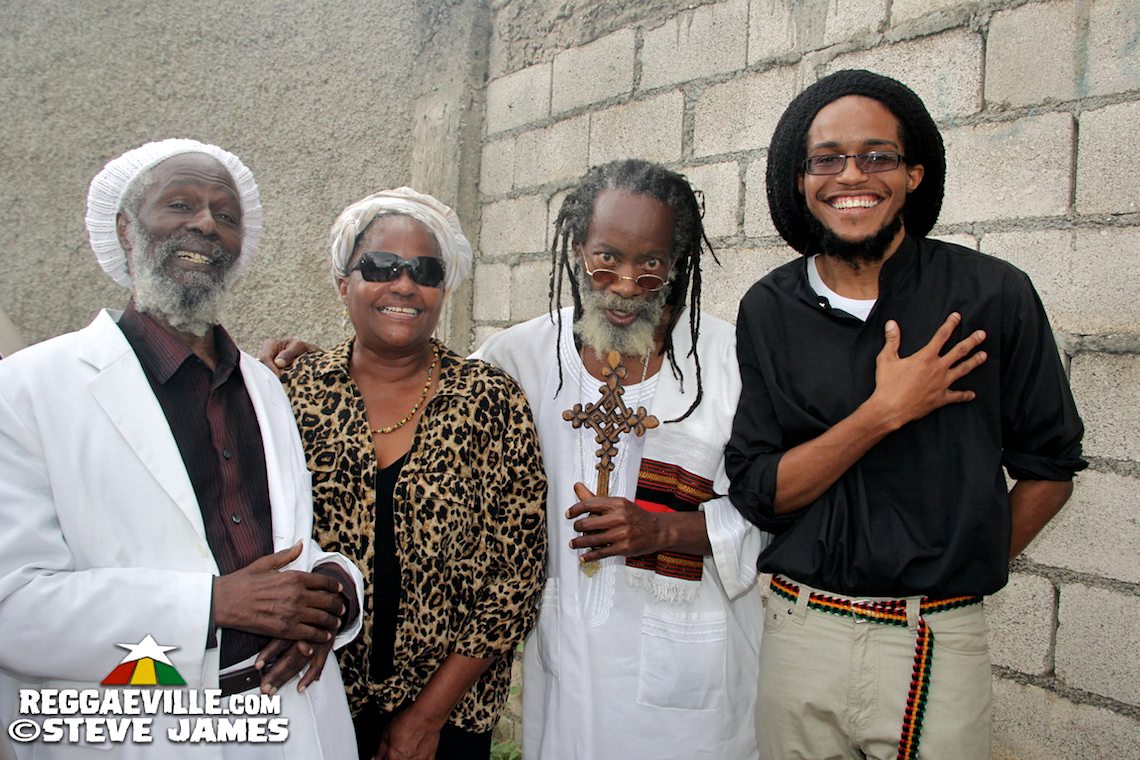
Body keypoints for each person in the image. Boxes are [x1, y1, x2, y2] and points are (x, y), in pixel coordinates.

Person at [726, 70, 1086, 760]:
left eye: (877, 156)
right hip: (802, 634)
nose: (850, 175)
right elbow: (760, 492)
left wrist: (962, 565)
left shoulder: (991, 296)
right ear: (800, 181)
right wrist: (884, 411)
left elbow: (1052, 467)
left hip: (936, 643)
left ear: (914, 173)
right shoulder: (769, 309)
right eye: (826, 158)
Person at [0, 139, 364, 760]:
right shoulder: (29, 388)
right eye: (179, 204)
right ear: (125, 228)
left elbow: (288, 545)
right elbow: (14, 606)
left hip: (290, 719)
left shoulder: (264, 386)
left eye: (226, 215)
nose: (205, 224)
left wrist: (336, 587)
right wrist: (208, 606)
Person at [472, 159, 766, 759]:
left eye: (652, 263)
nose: (627, 284)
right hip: (569, 674)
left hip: (693, 685)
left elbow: (776, 503)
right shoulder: (520, 357)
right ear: (578, 246)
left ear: (678, 261)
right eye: (606, 258)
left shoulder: (729, 358)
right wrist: (340, 368)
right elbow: (426, 405)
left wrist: (662, 529)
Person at [277, 189, 547, 760]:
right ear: (342, 281)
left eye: (425, 271)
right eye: (380, 266)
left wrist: (426, 717)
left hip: (448, 719)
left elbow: (515, 576)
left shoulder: (489, 402)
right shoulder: (291, 396)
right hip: (313, 701)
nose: (404, 284)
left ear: (443, 290)